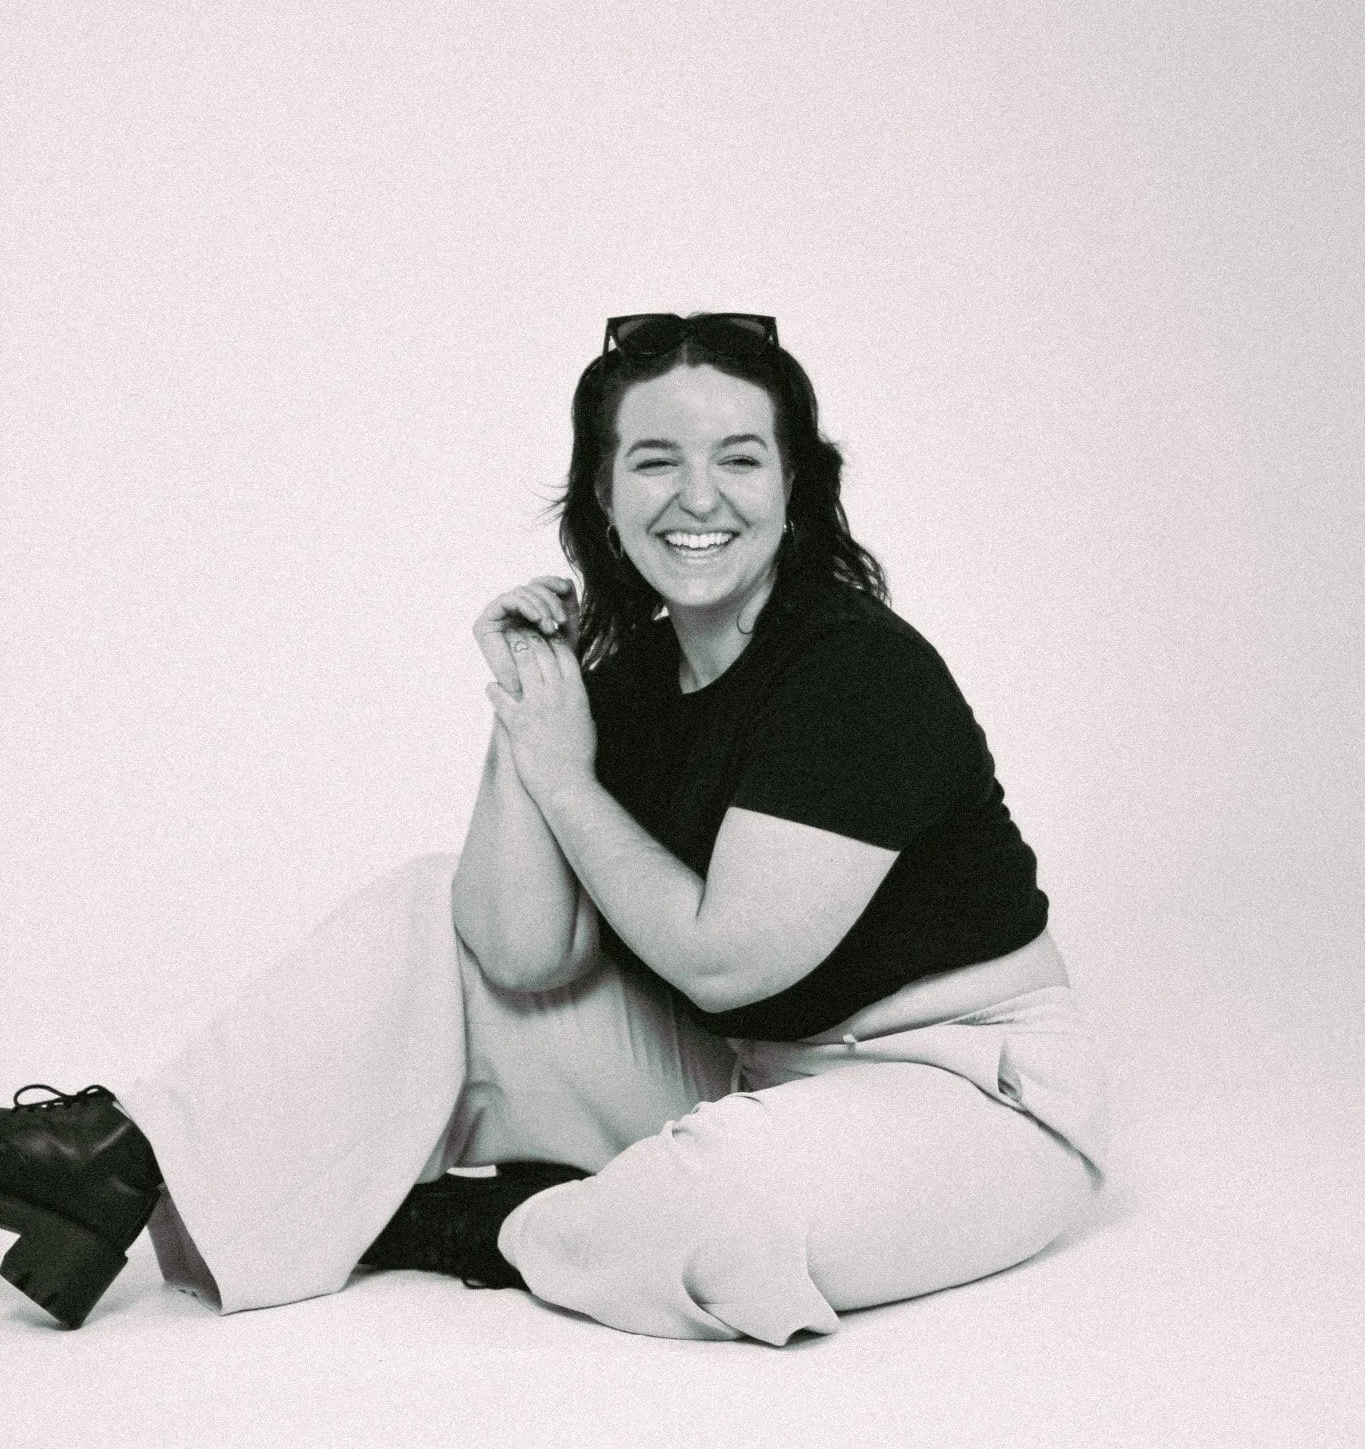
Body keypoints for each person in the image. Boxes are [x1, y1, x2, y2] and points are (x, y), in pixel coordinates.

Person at [0, 313, 1105, 1342]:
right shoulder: (632, 675)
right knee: (418, 912)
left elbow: (727, 958)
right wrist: (535, 701)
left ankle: (475, 1227)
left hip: (969, 1091)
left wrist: (568, 779)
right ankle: (122, 1155)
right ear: (605, 495)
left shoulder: (855, 672)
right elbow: (515, 949)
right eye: (656, 459)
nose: (697, 495)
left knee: (723, 1205)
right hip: (749, 1068)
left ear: (795, 489)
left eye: (740, 457)